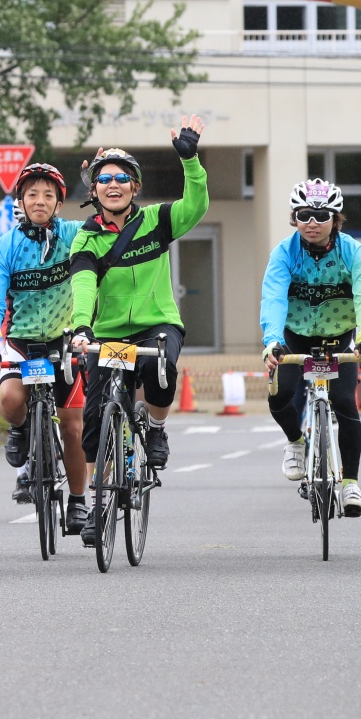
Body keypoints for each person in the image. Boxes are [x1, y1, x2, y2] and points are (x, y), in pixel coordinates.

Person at [70, 117, 207, 546]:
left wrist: (190, 161)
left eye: (122, 178)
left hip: (157, 324)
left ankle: (158, 427)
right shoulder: (85, 239)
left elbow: (196, 205)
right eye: (104, 179)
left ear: (135, 187)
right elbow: (84, 284)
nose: (113, 184)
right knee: (95, 415)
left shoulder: (156, 221)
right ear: (93, 191)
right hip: (106, 334)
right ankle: (98, 503)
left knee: (161, 371)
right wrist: (80, 327)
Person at [259, 179, 361, 518]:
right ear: (294, 217)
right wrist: (271, 340)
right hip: (294, 337)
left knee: (344, 402)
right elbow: (272, 297)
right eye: (303, 215)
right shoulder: (284, 253)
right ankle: (297, 442)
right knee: (279, 394)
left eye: (320, 215)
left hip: (338, 337)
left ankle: (350, 483)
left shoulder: (353, 252)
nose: (311, 222)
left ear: (335, 218)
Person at [0, 162, 88, 532]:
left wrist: (95, 183)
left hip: (64, 340)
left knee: (73, 428)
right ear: (20, 201)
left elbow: (108, 221)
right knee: (10, 400)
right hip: (20, 343)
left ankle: (76, 503)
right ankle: (23, 428)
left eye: (48, 195)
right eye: (32, 194)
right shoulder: (3, 248)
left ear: (59, 203)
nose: (39, 201)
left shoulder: (74, 235)